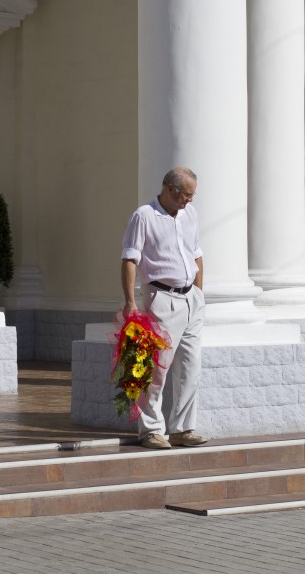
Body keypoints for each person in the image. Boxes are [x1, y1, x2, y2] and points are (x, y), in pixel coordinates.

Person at [121, 166, 208, 449]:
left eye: (193, 195)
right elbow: (130, 259)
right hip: (162, 298)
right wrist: (131, 302)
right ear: (169, 189)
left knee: (189, 367)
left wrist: (198, 293)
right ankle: (150, 430)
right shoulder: (143, 216)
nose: (190, 201)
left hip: (191, 300)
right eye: (186, 195)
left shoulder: (189, 215)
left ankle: (182, 429)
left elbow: (196, 254)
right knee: (156, 368)